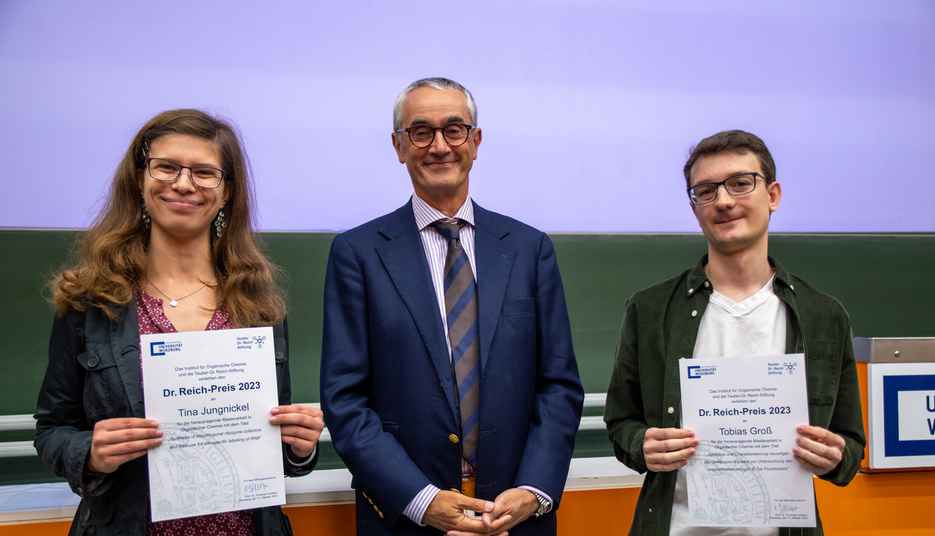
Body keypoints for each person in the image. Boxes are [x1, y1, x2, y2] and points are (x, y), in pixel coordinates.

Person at [34, 109, 324, 536]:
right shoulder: (90, 301)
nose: (184, 183)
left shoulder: (256, 306)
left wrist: (300, 448)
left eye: (205, 172)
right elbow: (51, 430)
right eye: (166, 167)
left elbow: (270, 444)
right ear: (139, 179)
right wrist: (88, 452)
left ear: (227, 192)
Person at [320, 78, 584, 535]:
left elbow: (558, 385)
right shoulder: (357, 254)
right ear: (399, 146)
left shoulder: (529, 248)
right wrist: (421, 501)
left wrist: (534, 491)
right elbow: (344, 400)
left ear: (475, 142)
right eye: (420, 132)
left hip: (515, 518)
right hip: (407, 520)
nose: (439, 146)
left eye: (454, 129)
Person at [604, 130, 866, 536]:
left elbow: (850, 446)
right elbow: (621, 423)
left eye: (740, 184)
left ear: (773, 195)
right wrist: (643, 446)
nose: (723, 201)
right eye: (705, 191)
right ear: (694, 209)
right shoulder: (649, 309)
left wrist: (835, 457)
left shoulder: (824, 316)